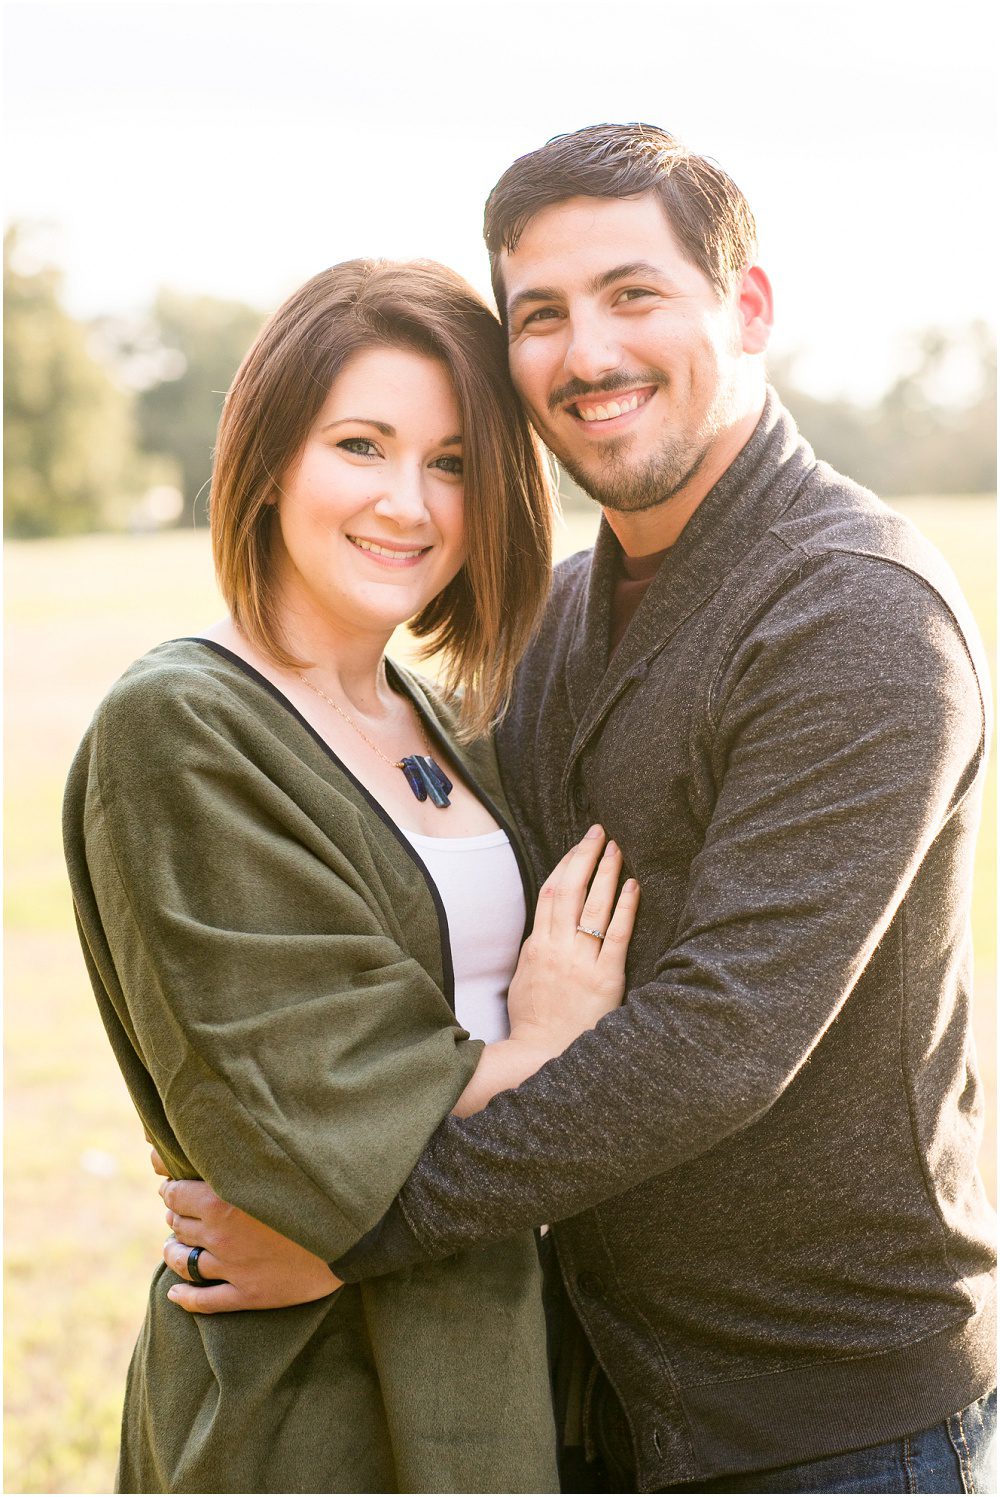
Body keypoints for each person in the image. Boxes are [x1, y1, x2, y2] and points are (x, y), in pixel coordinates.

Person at [161, 125, 997, 1494]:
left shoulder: (857, 612)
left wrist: (357, 1229)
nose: (586, 352)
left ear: (748, 307)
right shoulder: (547, 620)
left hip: (829, 1418)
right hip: (588, 1395)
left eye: (633, 293)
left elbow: (722, 1037)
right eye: (539, 314)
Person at [62, 256, 642, 1494]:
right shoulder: (182, 726)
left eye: (451, 463)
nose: (407, 503)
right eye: (361, 446)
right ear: (272, 459)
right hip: (313, 1403)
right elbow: (309, 1129)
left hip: (495, 1367)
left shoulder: (433, 717)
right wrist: (551, 1049)